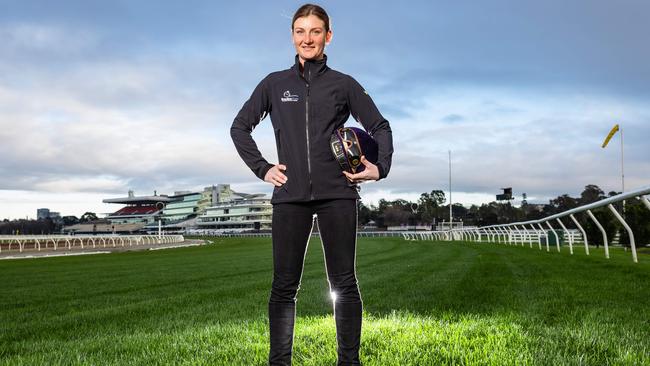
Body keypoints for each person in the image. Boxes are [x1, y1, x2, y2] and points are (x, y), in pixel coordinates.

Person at [231, 4, 393, 365]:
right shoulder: (274, 84)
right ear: (292, 36)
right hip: (289, 197)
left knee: (344, 284)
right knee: (284, 287)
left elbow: (380, 127)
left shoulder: (344, 84)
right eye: (300, 31)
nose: (307, 38)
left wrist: (378, 168)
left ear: (328, 36)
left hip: (338, 194)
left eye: (315, 31)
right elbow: (239, 127)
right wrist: (263, 168)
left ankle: (349, 362)